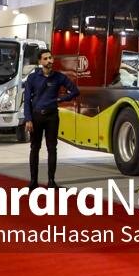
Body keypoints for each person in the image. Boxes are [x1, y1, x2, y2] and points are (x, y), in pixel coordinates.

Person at [23, 49, 80, 190]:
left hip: (52, 117)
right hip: (36, 117)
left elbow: (75, 91)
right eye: (46, 58)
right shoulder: (32, 78)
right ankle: (33, 182)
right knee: (35, 148)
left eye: (50, 58)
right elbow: (27, 100)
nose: (49, 60)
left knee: (52, 148)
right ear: (40, 61)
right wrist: (28, 119)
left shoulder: (59, 77)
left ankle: (51, 182)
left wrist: (61, 99)